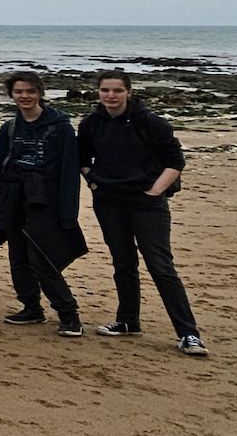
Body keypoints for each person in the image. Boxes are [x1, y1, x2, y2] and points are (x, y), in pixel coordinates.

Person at [77, 70, 206, 355]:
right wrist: (95, 182)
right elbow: (82, 159)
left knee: (160, 265)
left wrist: (154, 191)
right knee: (123, 262)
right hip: (110, 202)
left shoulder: (150, 122)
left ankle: (188, 334)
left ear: (129, 92)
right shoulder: (90, 124)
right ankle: (127, 321)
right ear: (98, 93)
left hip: (147, 203)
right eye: (105, 90)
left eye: (117, 91)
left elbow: (175, 161)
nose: (111, 95)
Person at [0, 71, 86, 337]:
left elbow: (69, 173)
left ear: (40, 93)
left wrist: (68, 213)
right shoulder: (9, 128)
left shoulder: (60, 127)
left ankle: (68, 314)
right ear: (12, 95)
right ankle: (31, 307)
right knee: (18, 258)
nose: (25, 96)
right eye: (19, 92)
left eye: (30, 91)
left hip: (45, 204)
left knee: (42, 260)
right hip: (13, 200)